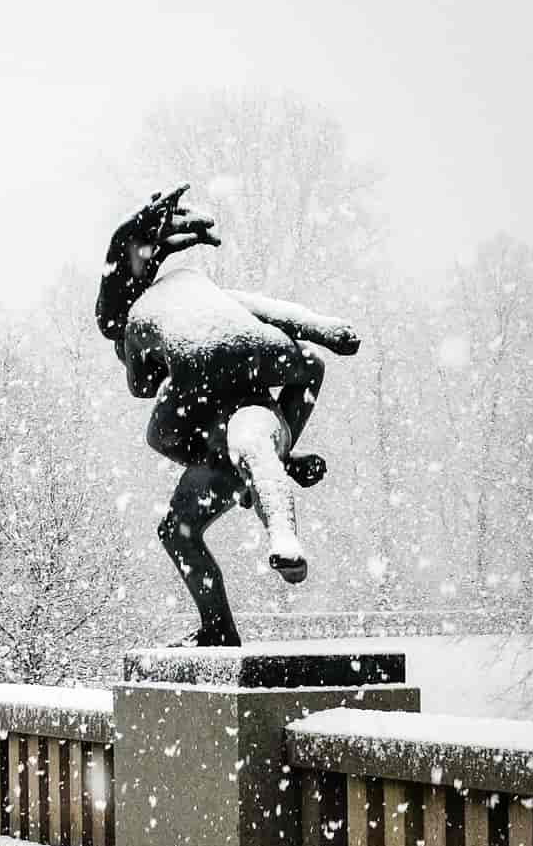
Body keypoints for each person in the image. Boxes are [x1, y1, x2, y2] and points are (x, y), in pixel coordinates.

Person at [96, 185, 360, 647]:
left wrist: (145, 356)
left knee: (173, 503)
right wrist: (327, 330)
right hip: (261, 354)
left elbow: (140, 387)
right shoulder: (201, 288)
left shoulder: (135, 320)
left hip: (200, 369)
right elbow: (268, 310)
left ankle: (219, 628)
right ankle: (278, 495)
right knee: (305, 373)